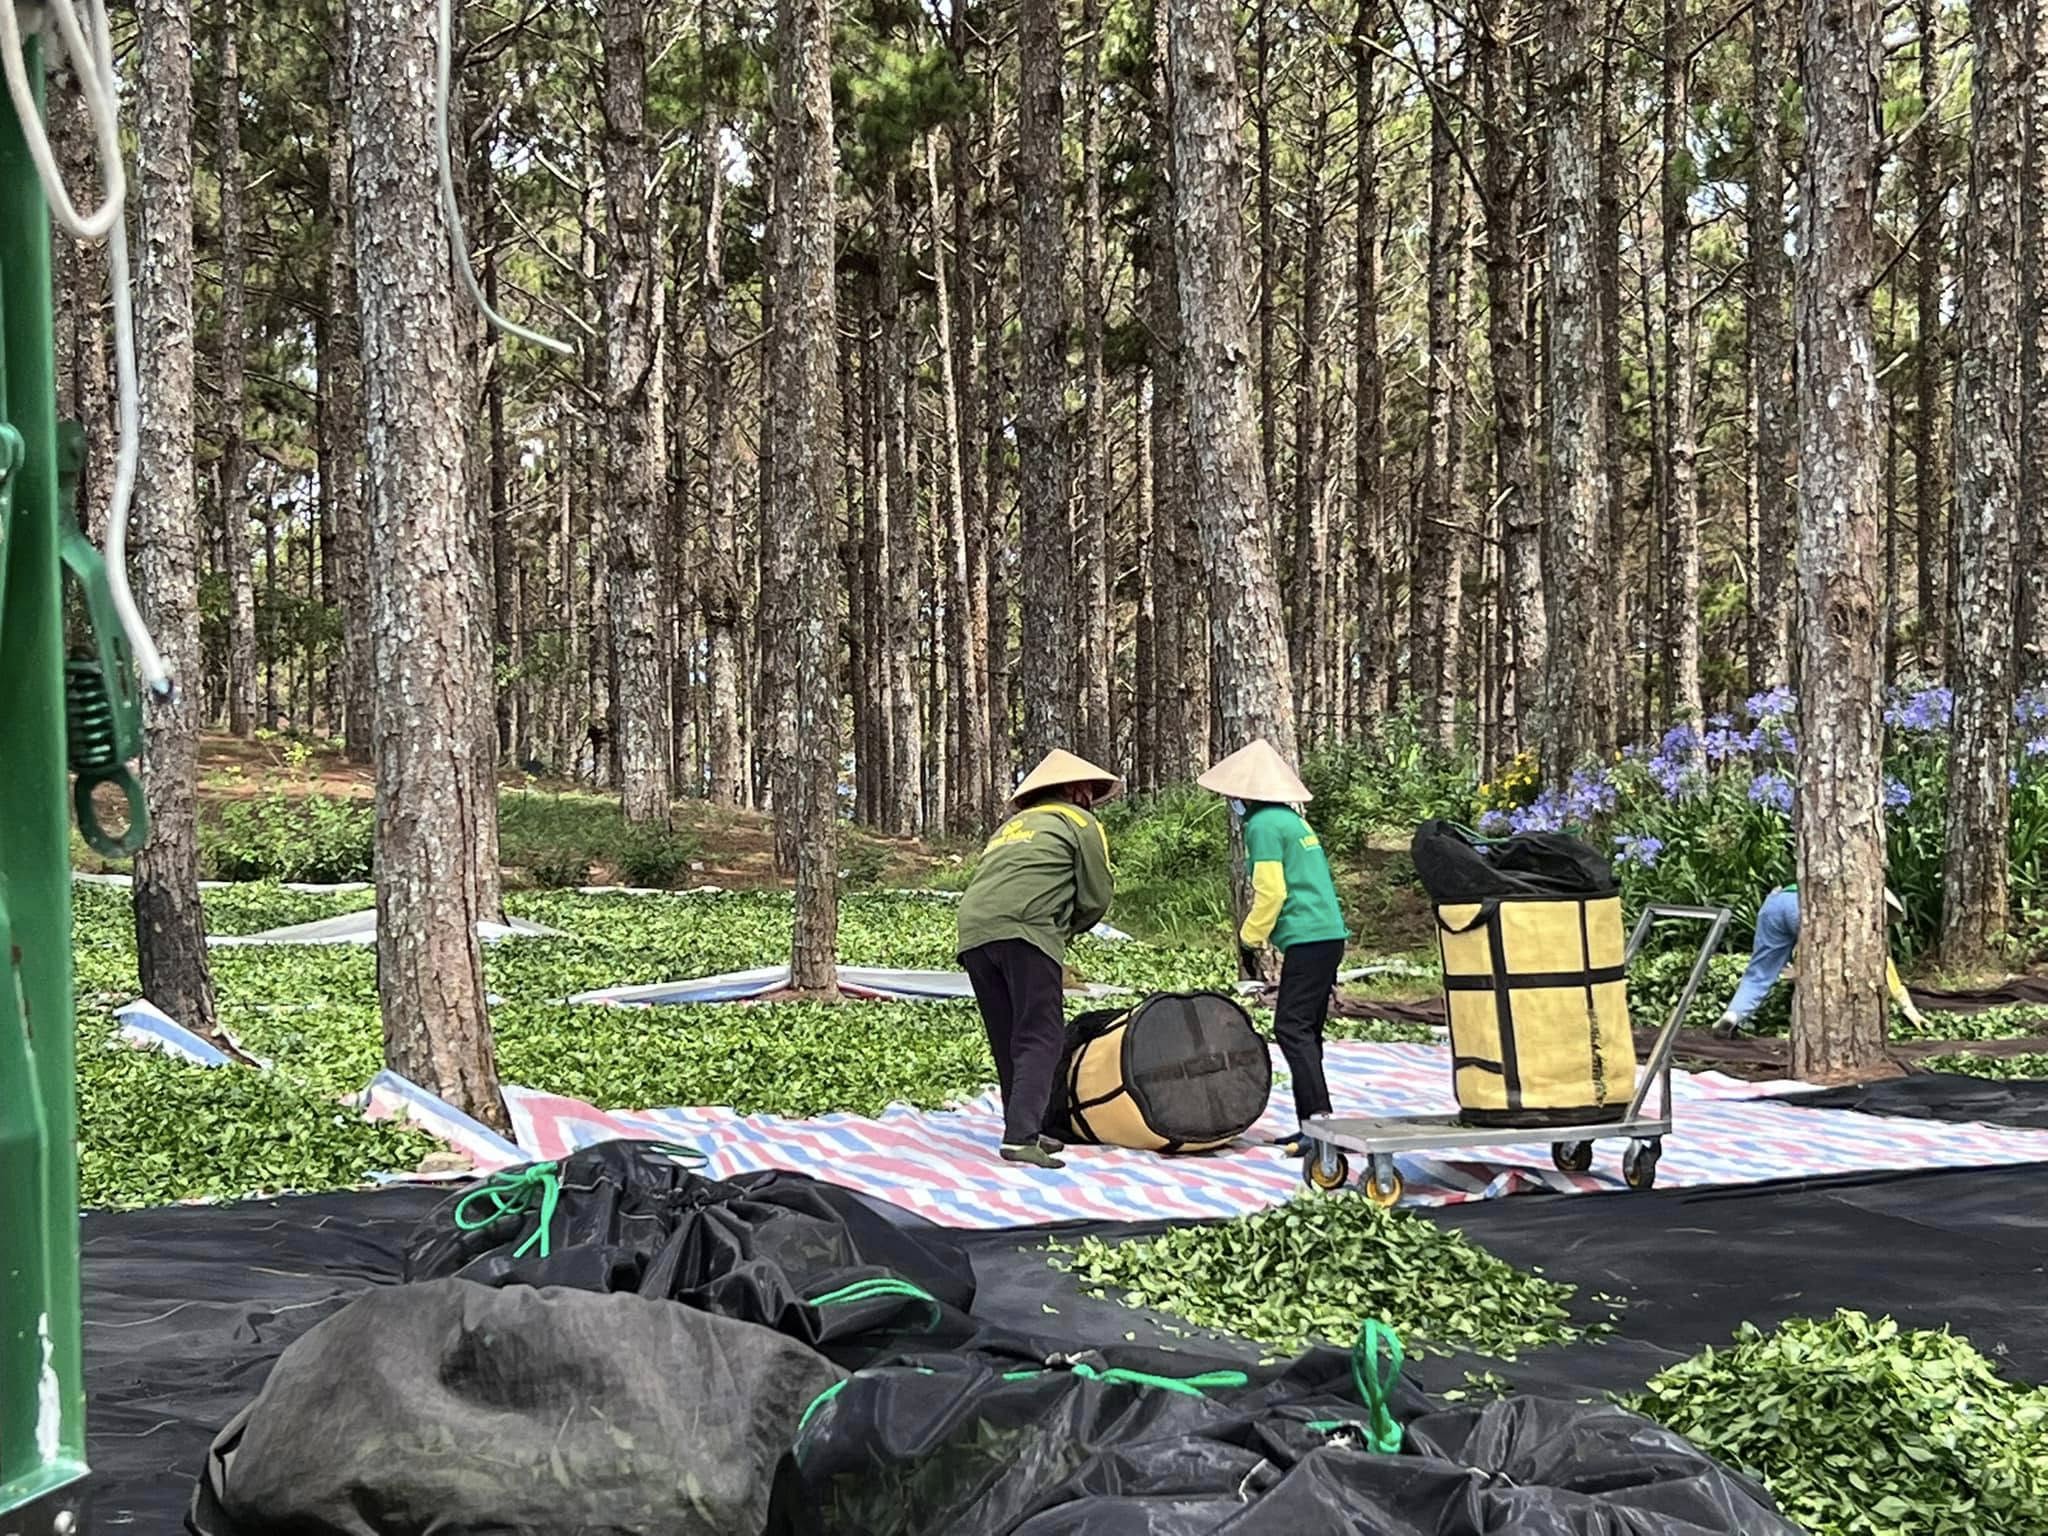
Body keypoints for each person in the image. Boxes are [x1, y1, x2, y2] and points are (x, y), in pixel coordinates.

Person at [956, 750, 1119, 1169]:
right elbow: (1096, 893)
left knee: (1007, 1034)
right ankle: (1022, 1136)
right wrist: (1063, 931)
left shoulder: (1011, 827)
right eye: (1084, 789)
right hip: (1027, 930)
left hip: (974, 931)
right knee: (1040, 1034)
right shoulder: (1080, 822)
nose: (1087, 796)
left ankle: (1022, 1126)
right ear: (1073, 790)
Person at [1198, 740, 1349, 1157]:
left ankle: (1318, 1123)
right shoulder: (1293, 821)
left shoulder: (1263, 826)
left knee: (1291, 1027)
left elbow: (1270, 890)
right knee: (1307, 1029)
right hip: (1327, 934)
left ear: (1247, 794)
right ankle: (1316, 1122)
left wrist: (1250, 937)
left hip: (1307, 936)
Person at [1714, 884, 1928, 1038]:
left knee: (1759, 973)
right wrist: (1906, 1006)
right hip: (1808, 909)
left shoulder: (1840, 887)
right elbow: (1885, 964)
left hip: (1776, 902)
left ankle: (1733, 1014)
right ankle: (1822, 1032)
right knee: (1827, 970)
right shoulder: (1855, 915)